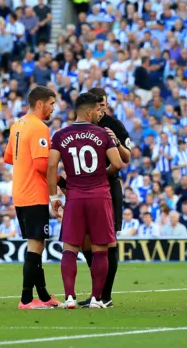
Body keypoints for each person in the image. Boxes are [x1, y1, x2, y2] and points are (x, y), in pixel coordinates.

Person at [47, 93, 123, 309]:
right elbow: (117, 164)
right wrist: (100, 173)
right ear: (89, 111)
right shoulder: (101, 133)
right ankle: (97, 299)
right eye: (98, 110)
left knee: (70, 247)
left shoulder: (60, 134)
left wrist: (54, 196)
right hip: (100, 195)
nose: (100, 114)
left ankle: (70, 297)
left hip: (74, 195)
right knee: (100, 249)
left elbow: (51, 166)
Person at [72, 88, 131, 309]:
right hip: (85, 189)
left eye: (103, 104)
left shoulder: (114, 125)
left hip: (108, 186)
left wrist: (116, 143)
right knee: (86, 241)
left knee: (108, 241)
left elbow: (126, 157)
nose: (101, 108)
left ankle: (105, 295)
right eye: (98, 105)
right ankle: (98, 291)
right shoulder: (80, 125)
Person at [4, 86, 60, 310]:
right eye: (52, 104)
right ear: (40, 104)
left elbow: (9, 157)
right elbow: (41, 165)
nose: (53, 108)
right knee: (36, 246)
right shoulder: (39, 127)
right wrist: (60, 180)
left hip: (19, 191)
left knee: (36, 243)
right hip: (34, 192)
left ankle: (44, 296)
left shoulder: (17, 124)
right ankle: (26, 299)